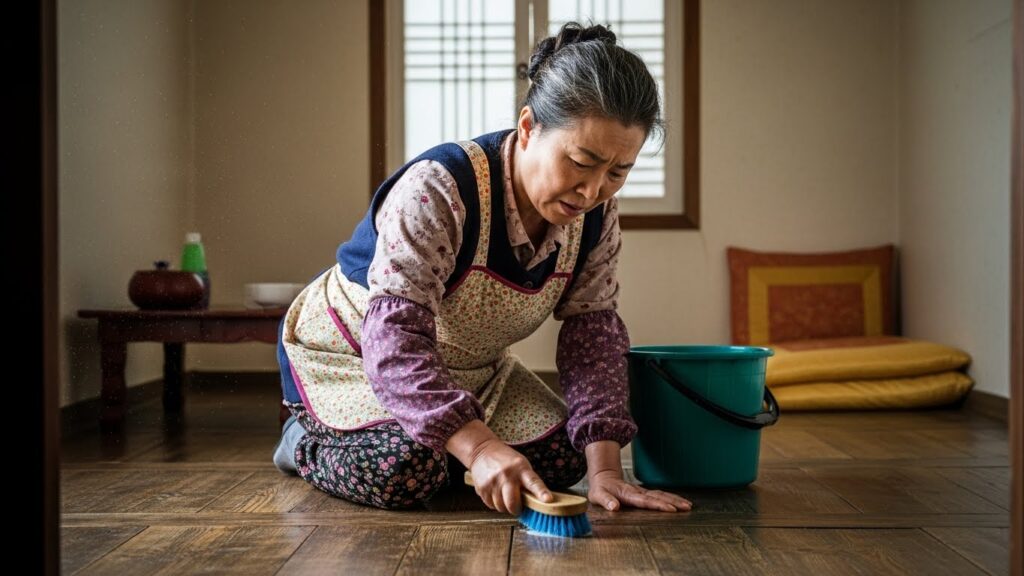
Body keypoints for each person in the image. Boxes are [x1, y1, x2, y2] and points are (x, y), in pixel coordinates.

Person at [272, 21, 692, 516]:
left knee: (564, 459)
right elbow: (394, 342)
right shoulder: (440, 189)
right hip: (356, 358)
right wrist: (480, 449)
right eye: (581, 161)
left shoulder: (597, 214)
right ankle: (305, 439)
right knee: (404, 471)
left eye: (617, 172)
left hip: (470, 372)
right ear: (529, 127)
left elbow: (592, 334)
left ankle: (443, 443)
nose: (592, 190)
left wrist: (604, 472)